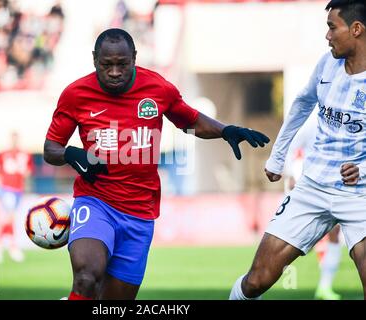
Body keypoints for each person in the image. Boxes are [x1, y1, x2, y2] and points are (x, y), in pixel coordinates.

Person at [44, 28, 270, 300]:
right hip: (96, 202)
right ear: (94, 60)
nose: (114, 72)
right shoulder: (76, 94)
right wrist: (72, 154)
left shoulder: (157, 89)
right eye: (106, 65)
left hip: (139, 212)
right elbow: (51, 148)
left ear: (135, 58)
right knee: (86, 277)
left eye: (122, 64)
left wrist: (226, 131)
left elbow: (190, 121)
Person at [229, 0, 366, 300]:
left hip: (360, 196)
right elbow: (302, 103)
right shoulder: (327, 64)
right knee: (256, 281)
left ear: (356, 29)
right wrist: (278, 156)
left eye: (332, 27)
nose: (327, 36)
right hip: (313, 186)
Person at [284, 116, 342, 300]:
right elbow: (290, 146)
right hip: (309, 187)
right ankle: (271, 275)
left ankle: (324, 287)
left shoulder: (346, 123)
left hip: (335, 187)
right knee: (297, 238)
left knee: (335, 233)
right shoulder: (311, 124)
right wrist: (290, 175)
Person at [0, 131, 34, 263]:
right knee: (10, 216)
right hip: (7, 189)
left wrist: (26, 175)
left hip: (18, 189)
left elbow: (29, 171)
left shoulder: (25, 154)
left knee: (10, 218)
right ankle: (10, 246)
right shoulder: (3, 154)